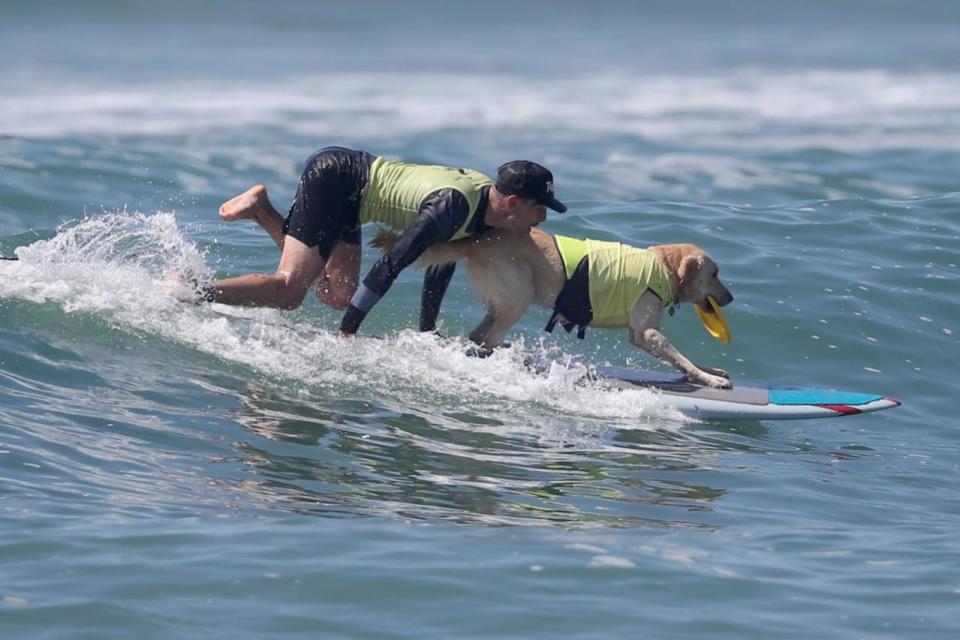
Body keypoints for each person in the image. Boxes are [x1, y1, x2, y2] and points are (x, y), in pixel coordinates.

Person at [204, 146, 567, 336]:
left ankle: (262, 210)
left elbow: (440, 262)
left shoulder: (484, 214)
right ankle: (193, 290)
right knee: (290, 292)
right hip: (335, 179)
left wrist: (427, 332)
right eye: (540, 209)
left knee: (339, 296)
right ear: (514, 203)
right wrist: (347, 333)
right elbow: (390, 264)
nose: (542, 219)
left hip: (353, 198)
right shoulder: (453, 206)